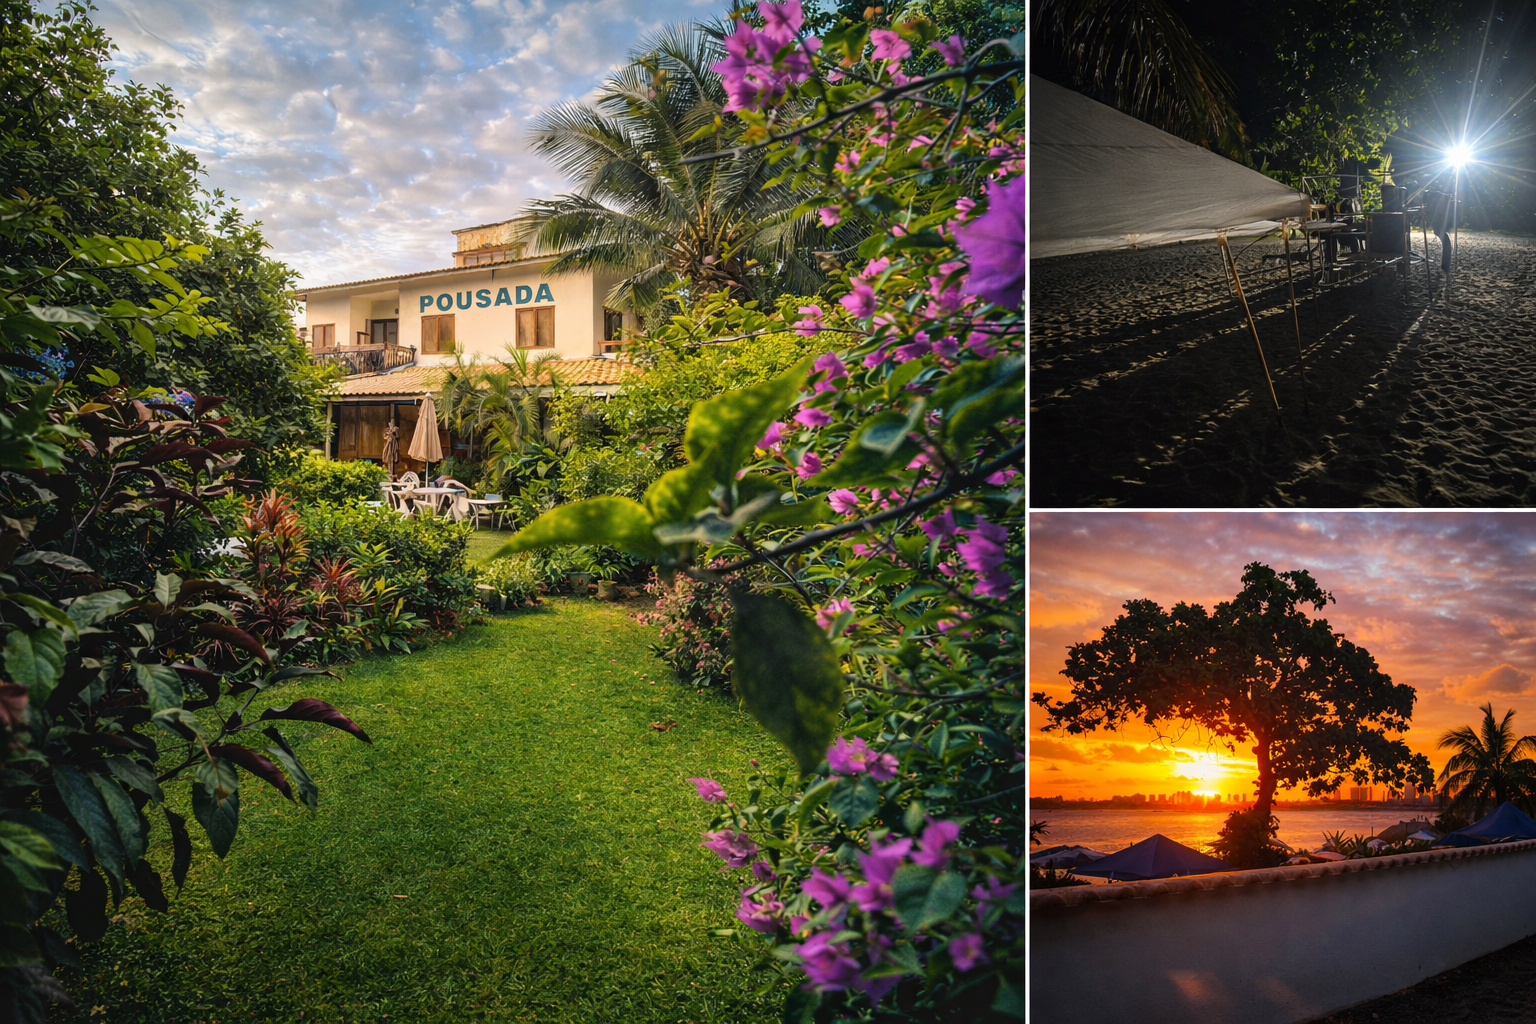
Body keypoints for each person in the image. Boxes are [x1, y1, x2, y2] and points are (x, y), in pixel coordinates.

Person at [1425, 190, 1456, 272]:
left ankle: (1445, 264)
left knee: (1441, 235)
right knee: (1442, 235)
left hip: (1438, 207)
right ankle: (1446, 263)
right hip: (1438, 206)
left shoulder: (1432, 198)